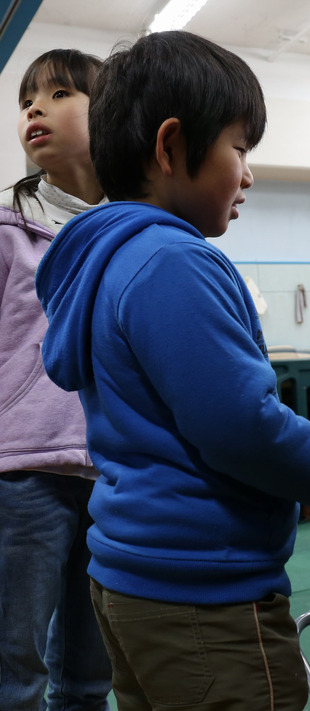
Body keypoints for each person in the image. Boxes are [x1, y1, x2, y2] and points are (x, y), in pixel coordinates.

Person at [35, 31, 310, 711]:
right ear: (171, 148)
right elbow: (241, 426)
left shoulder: (102, 262)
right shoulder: (175, 259)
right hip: (202, 591)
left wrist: (304, 484)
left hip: (131, 580)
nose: (249, 174)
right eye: (239, 148)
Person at [0, 49, 112, 710]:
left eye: (62, 93)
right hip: (22, 470)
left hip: (110, 474)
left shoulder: (132, 227)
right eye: (26, 100)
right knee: (14, 665)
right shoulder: (8, 227)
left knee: (91, 669)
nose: (36, 108)